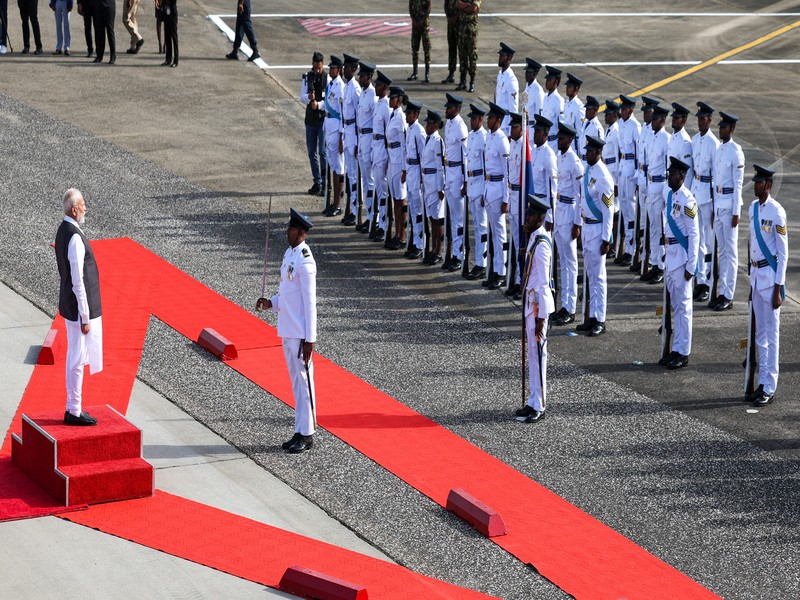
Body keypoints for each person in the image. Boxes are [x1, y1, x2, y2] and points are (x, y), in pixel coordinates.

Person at [255, 209, 318, 454]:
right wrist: (271, 302)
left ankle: (308, 433)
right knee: (296, 384)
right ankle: (300, 429)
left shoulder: (306, 262)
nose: (287, 232)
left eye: (291, 229)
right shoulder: (290, 254)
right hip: (288, 329)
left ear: (302, 232)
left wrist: (310, 339)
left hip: (301, 333)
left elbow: (310, 303)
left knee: (305, 384)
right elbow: (288, 294)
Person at [55, 189, 103, 426]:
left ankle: (73, 407)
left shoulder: (64, 230)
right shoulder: (74, 236)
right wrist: (85, 316)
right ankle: (74, 409)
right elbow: (78, 280)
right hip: (78, 309)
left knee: (75, 356)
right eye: (82, 204)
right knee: (77, 358)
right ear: (74, 209)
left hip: (70, 305)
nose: (85, 208)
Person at [745, 165, 787, 406]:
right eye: (755, 181)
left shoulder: (777, 212)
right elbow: (753, 246)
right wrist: (751, 282)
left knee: (772, 335)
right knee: (760, 335)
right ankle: (761, 383)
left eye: (759, 182)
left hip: (770, 280)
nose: (755, 185)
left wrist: (779, 288)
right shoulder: (752, 208)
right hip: (756, 276)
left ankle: (770, 386)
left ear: (768, 185)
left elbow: (783, 252)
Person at [515, 198, 554, 424]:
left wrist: (542, 317)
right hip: (531, 305)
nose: (526, 218)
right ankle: (532, 400)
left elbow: (544, 285)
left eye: (530, 215)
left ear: (540, 219)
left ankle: (539, 405)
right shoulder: (534, 238)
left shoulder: (542, 244)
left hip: (538, 307)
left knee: (539, 356)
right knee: (533, 355)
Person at [658, 157, 699, 369]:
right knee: (675, 307)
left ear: (682, 177)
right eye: (668, 173)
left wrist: (691, 266)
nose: (668, 176)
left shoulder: (687, 200)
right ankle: (675, 348)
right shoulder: (671, 195)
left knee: (684, 308)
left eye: (672, 174)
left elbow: (694, 235)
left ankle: (683, 352)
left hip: (682, 260)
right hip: (671, 257)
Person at [575, 135, 614, 337]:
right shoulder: (588, 170)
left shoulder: (604, 177)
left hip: (599, 231)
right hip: (588, 228)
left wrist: (607, 239)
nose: (586, 153)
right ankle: (591, 316)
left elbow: (608, 211)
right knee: (590, 275)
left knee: (599, 277)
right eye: (586, 150)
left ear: (598, 153)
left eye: (590, 151)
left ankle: (601, 319)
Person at [711, 111, 744, 312]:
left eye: (724, 127)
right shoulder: (719, 149)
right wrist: (715, 207)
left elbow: (738, 184)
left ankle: (728, 295)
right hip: (718, 202)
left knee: (730, 254)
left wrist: (735, 211)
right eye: (720, 126)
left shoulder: (736, 151)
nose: (721, 129)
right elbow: (715, 181)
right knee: (721, 251)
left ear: (731, 129)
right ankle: (722, 292)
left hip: (729, 204)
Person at [552, 122, 583, 326]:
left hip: (570, 212)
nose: (559, 141)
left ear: (570, 140)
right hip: (558, 211)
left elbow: (581, 195)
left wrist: (577, 223)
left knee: (570, 264)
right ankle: (563, 305)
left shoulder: (575, 162)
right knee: (562, 262)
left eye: (562, 139)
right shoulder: (559, 158)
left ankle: (570, 308)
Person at [690, 101, 720, 303]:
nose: (701, 122)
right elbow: (693, 169)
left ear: (710, 120)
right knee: (698, 239)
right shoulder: (694, 140)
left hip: (709, 195)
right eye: (699, 119)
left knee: (708, 242)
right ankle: (700, 280)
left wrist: (715, 205)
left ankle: (708, 284)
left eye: (704, 119)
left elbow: (717, 177)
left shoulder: (714, 143)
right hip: (696, 190)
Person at [481, 102, 510, 289]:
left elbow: (507, 173)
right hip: (489, 187)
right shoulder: (489, 138)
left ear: (498, 120)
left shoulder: (501, 140)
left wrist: (506, 199)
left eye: (490, 118)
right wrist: (484, 191)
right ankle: (494, 269)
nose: (487, 120)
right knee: (493, 233)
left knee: (499, 233)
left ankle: (501, 271)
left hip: (499, 189)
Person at [642, 105, 669, 284]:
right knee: (653, 227)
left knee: (660, 229)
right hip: (651, 185)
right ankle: (653, 263)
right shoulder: (652, 137)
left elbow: (668, 166)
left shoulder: (666, 139)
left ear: (661, 120)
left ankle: (661, 266)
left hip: (660, 185)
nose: (651, 122)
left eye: (654, 119)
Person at [442, 92, 468, 271]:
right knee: (451, 217)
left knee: (459, 219)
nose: (447, 110)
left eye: (450, 108)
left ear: (457, 109)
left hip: (458, 173)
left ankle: (459, 255)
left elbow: (465, 156)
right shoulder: (449, 125)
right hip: (449, 172)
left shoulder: (460, 127)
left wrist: (465, 181)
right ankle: (452, 253)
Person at [463, 102, 488, 279]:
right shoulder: (471, 136)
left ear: (481, 119)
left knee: (481, 226)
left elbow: (487, 167)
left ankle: (482, 263)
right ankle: (478, 262)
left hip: (480, 183)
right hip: (471, 182)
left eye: (474, 119)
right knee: (475, 226)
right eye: (470, 119)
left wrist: (485, 191)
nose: (471, 122)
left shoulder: (484, 137)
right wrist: (466, 182)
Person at [301, 52, 329, 197]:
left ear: (322, 65)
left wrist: (318, 105)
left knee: (322, 152)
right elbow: (301, 97)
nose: (317, 71)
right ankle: (317, 181)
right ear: (312, 64)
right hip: (310, 120)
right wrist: (308, 97)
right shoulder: (307, 77)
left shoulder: (327, 79)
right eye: (315, 68)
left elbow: (330, 101)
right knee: (312, 152)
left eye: (319, 68)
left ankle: (325, 182)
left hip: (322, 120)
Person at [617, 94, 640, 269]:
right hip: (622, 169)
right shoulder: (621, 124)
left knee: (631, 212)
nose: (621, 111)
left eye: (624, 109)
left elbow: (639, 154)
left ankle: (632, 250)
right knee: (624, 210)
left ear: (630, 110)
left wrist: (638, 176)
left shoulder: (635, 126)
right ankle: (626, 249)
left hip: (632, 171)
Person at [370, 69, 392, 241]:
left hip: (382, 151)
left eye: (377, 85)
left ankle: (384, 225)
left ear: (384, 87)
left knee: (383, 191)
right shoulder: (378, 104)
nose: (375, 87)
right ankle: (379, 222)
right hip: (375, 148)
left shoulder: (385, 107)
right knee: (378, 188)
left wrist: (385, 157)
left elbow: (386, 134)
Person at [322, 55, 346, 218]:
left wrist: (341, 139)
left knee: (339, 168)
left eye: (333, 68)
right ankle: (333, 201)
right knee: (333, 167)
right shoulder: (331, 84)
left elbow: (343, 114)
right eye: (330, 68)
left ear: (339, 70)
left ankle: (338, 203)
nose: (330, 70)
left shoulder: (341, 87)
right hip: (329, 127)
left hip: (336, 130)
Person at [421, 109, 445, 264]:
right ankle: (433, 248)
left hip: (434, 183)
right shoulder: (428, 140)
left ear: (436, 125)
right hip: (427, 181)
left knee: (438, 218)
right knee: (431, 218)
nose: (426, 126)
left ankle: (438, 250)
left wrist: (440, 187)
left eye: (429, 124)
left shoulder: (437, 141)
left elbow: (440, 166)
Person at [386, 85, 408, 249]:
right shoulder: (393, 115)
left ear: (399, 101)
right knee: (395, 199)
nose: (389, 99)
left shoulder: (401, 118)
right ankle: (396, 233)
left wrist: (404, 168)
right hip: (392, 158)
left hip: (399, 161)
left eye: (392, 98)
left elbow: (405, 144)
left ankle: (402, 236)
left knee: (401, 200)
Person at [403, 99, 426, 259]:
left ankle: (419, 244)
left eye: (409, 114)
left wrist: (421, 178)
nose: (406, 116)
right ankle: (414, 241)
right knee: (412, 208)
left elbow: (423, 156)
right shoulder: (410, 129)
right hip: (410, 170)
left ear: (416, 115)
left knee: (418, 211)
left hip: (417, 171)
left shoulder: (419, 131)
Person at [355, 61, 376, 232]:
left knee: (370, 182)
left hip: (370, 138)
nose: (359, 79)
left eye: (362, 76)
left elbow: (376, 123)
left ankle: (372, 217)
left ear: (369, 77)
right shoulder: (362, 93)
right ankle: (368, 214)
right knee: (364, 181)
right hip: (362, 137)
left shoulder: (373, 95)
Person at [341, 53, 361, 226]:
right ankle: (351, 209)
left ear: (353, 69)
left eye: (347, 67)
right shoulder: (347, 87)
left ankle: (355, 211)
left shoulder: (355, 89)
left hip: (353, 134)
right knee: (349, 174)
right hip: (346, 132)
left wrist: (357, 142)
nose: (344, 69)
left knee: (354, 176)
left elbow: (358, 116)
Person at [455, 0, 479, 93]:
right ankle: (462, 81)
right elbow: (457, 5)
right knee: (462, 57)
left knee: (472, 58)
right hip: (462, 32)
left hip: (471, 34)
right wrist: (467, 5)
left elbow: (473, 9)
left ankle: (472, 82)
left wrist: (463, 7)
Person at [494, 42, 517, 135]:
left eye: (502, 56)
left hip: (506, 126)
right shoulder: (500, 75)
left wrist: (512, 132)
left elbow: (514, 108)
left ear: (509, 58)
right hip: (498, 122)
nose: (499, 58)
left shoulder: (511, 79)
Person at [523, 58, 545, 144]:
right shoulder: (527, 88)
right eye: (526, 72)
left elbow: (540, 115)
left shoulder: (538, 91)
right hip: (525, 128)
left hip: (532, 132)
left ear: (535, 73)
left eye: (529, 72)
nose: (526, 74)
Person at [408, 0, 430, 83]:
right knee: (414, 48)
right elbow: (410, 7)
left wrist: (421, 20)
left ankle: (427, 74)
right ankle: (415, 72)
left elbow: (429, 8)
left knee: (426, 49)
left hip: (424, 25)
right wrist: (414, 20)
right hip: (415, 25)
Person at [541, 66, 563, 151]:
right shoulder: (545, 97)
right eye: (547, 80)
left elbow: (561, 124)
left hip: (553, 143)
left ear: (556, 81)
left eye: (550, 80)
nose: (547, 82)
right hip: (543, 142)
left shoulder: (558, 100)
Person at [562, 74, 585, 153]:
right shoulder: (567, 104)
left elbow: (581, 131)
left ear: (576, 88)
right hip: (566, 144)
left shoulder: (579, 106)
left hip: (574, 147)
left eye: (569, 87)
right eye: (567, 86)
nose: (567, 89)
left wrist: (579, 150)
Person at [442, 0, 457, 84]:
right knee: (452, 49)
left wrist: (455, 17)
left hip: (459, 23)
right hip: (450, 23)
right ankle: (451, 74)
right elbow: (446, 4)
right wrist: (448, 17)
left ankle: (463, 78)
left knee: (463, 53)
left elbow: (461, 7)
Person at [159, 0, 175, 67]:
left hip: (172, 13)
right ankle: (168, 59)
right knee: (167, 36)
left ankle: (175, 60)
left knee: (174, 38)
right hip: (166, 12)